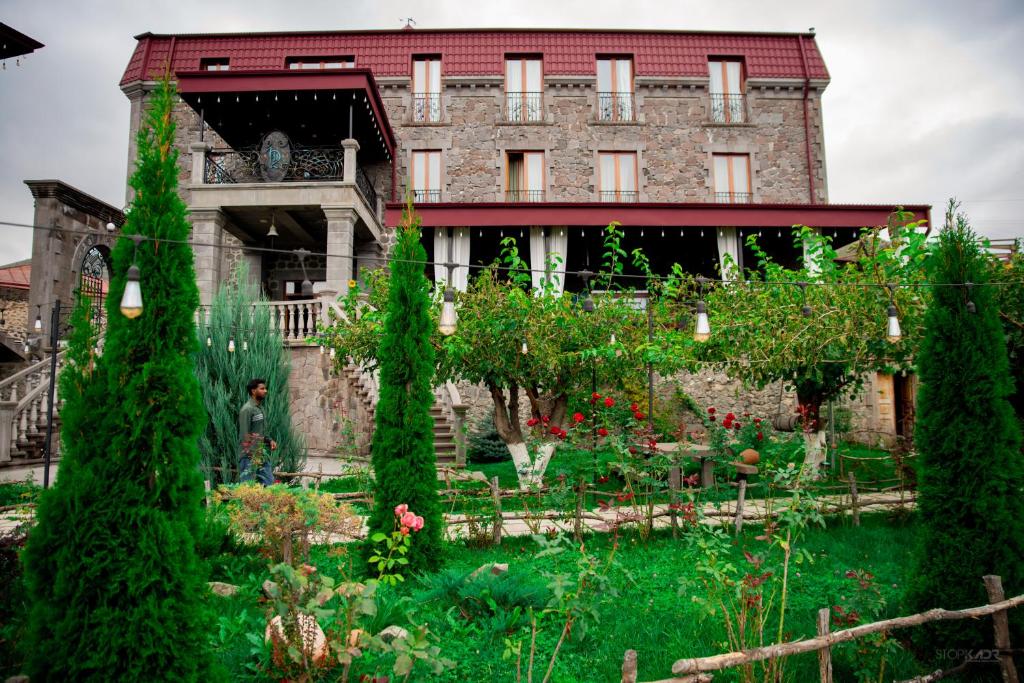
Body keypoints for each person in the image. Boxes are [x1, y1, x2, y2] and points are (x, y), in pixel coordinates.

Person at [239, 378, 277, 485]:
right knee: (247, 488)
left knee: (269, 484)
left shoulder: (260, 409)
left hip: (262, 453)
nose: (265, 391)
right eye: (262, 388)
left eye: (265, 388)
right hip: (248, 456)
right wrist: (251, 453)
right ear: (253, 391)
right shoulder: (247, 409)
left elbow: (261, 431)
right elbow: (244, 434)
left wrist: (269, 440)